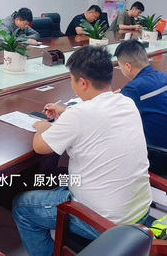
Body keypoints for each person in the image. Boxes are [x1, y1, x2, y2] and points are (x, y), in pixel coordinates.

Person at [12, 46, 152, 256]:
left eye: (72, 79)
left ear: (83, 83)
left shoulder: (78, 115)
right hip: (140, 211)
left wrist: (42, 126)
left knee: (22, 206)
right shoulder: (126, 102)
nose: (72, 84)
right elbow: (94, 118)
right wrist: (66, 113)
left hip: (107, 223)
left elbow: (40, 146)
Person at [114, 40, 167, 174]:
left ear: (128, 66)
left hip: (157, 157)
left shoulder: (134, 90)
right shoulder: (165, 78)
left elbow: (108, 115)